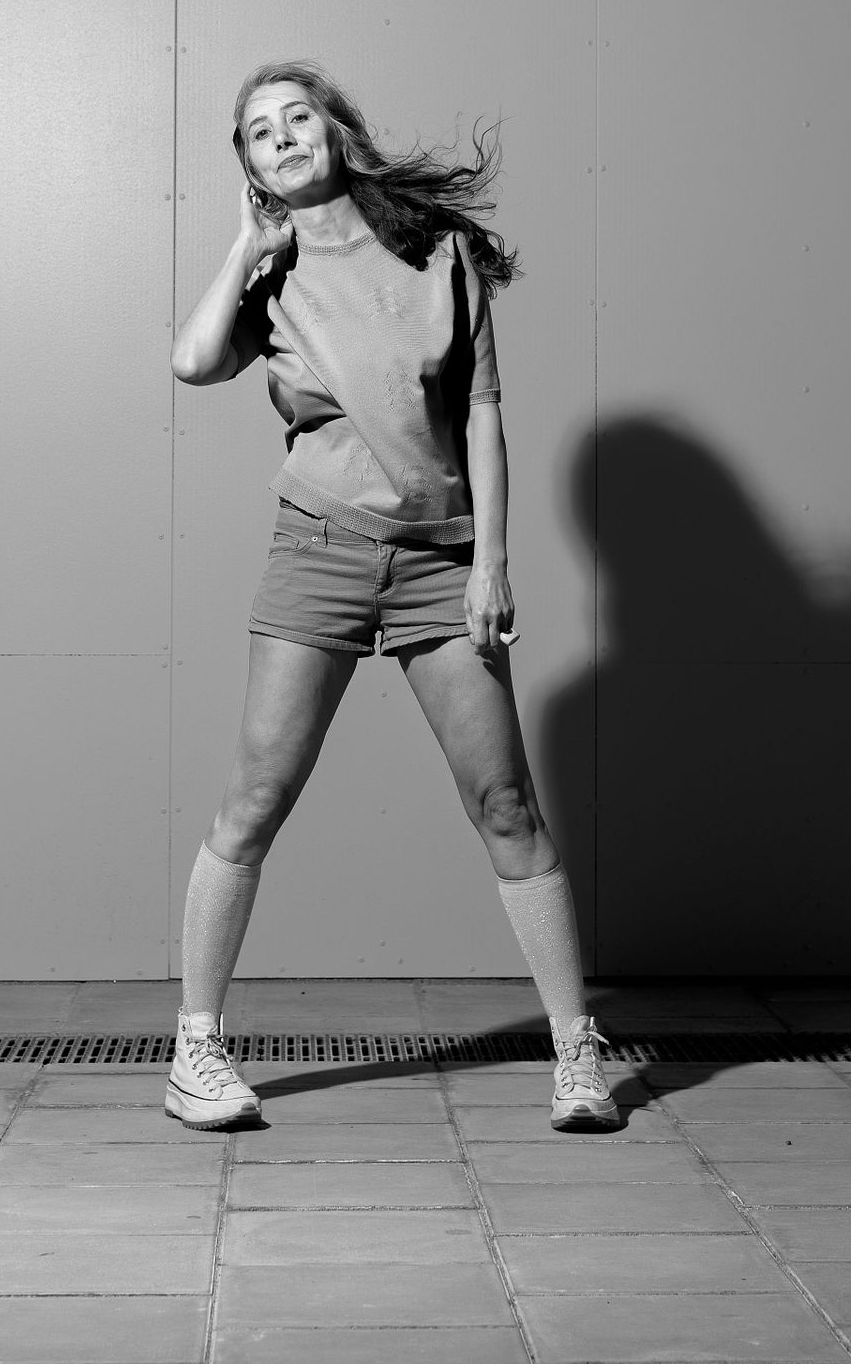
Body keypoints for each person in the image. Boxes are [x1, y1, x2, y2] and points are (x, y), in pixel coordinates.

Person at [165, 59, 617, 1134]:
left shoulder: (436, 252)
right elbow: (190, 363)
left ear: (338, 131)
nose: (280, 135)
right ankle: (196, 1051)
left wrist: (493, 562)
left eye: (296, 117)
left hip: (438, 561)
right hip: (316, 547)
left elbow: (483, 417)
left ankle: (577, 1054)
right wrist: (245, 243)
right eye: (257, 132)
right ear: (250, 167)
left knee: (505, 803)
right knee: (255, 799)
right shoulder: (267, 270)